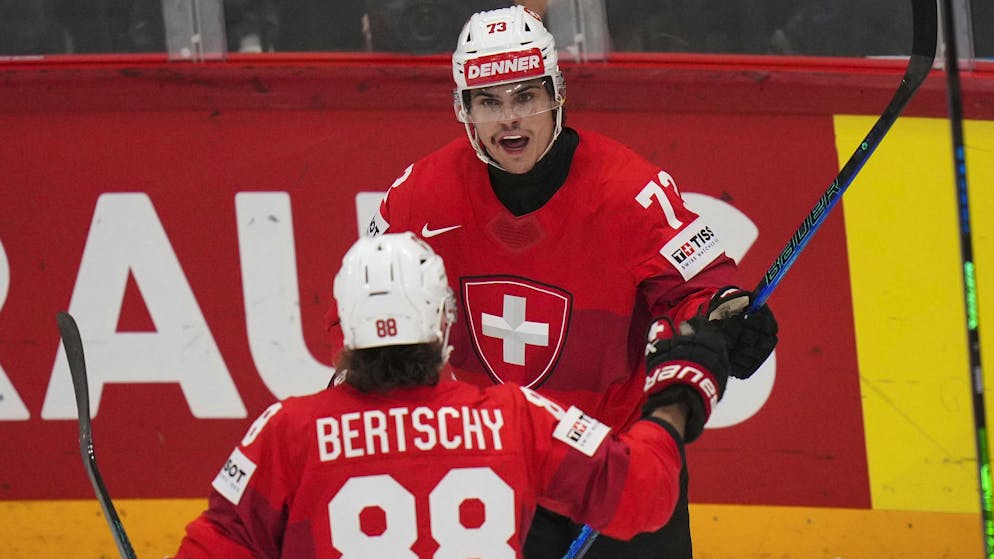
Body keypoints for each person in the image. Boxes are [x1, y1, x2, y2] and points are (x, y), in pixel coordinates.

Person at [345, 6, 780, 559]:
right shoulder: (416, 197)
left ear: (556, 94)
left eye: (525, 97)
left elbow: (700, 291)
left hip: (613, 467)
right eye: (489, 102)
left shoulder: (629, 191)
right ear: (464, 109)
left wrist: (726, 316)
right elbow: (359, 309)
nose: (509, 120)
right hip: (488, 473)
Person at [174, 232, 733, 558]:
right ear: (446, 321)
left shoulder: (287, 434)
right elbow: (644, 495)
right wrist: (674, 401)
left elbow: (214, 546)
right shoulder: (513, 419)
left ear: (343, 328)